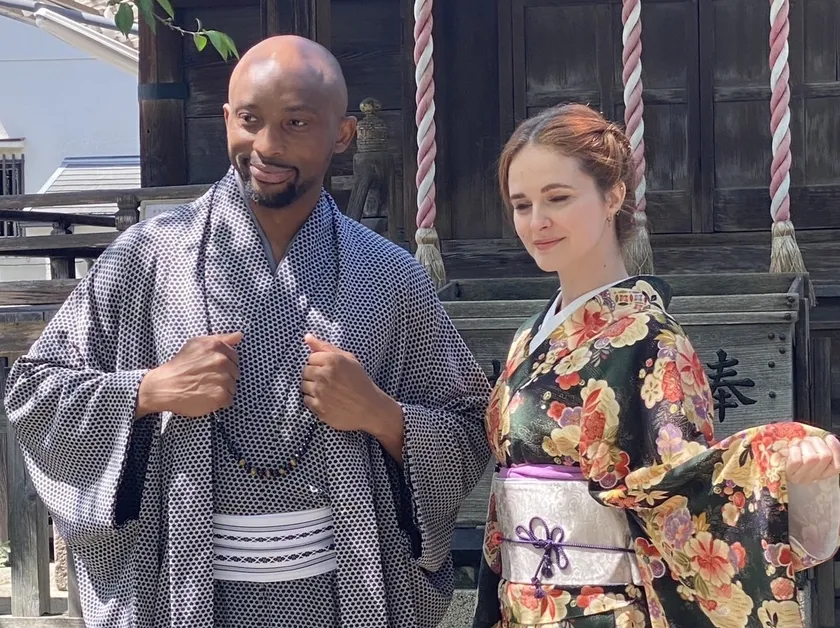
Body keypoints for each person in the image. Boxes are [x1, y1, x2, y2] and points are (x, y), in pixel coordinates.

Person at [5, 35, 491, 628]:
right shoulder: (149, 256)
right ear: (226, 118)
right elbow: (32, 393)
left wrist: (381, 414)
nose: (267, 145)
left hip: (346, 589)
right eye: (250, 119)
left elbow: (469, 427)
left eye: (296, 123)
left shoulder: (390, 275)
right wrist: (150, 390)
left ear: (341, 134)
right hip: (181, 585)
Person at [472, 103, 840, 627]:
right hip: (520, 605)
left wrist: (784, 461)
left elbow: (688, 491)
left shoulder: (652, 339)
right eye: (522, 204)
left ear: (612, 196)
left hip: (603, 610)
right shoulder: (528, 336)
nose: (538, 222)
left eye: (558, 198)